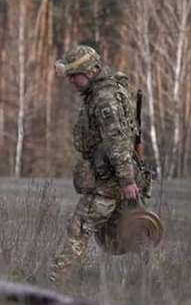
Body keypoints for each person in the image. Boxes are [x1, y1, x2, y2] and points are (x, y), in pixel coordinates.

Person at [48, 45, 146, 283]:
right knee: (127, 231)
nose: (70, 80)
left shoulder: (104, 99)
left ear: (90, 72)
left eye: (74, 75)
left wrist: (127, 181)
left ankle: (57, 281)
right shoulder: (105, 90)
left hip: (110, 180)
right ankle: (150, 277)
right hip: (115, 176)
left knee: (79, 228)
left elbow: (118, 141)